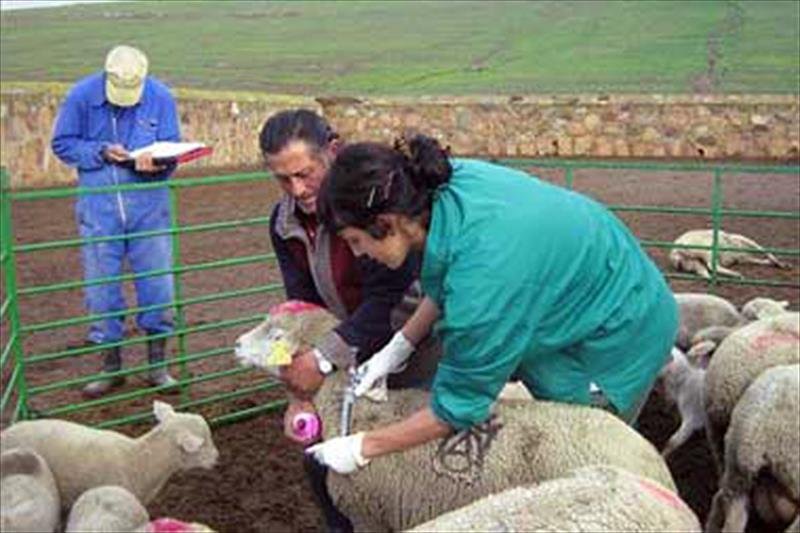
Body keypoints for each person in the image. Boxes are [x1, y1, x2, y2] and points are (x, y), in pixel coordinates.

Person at [308, 134, 679, 475]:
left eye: (356, 240)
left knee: (584, 448)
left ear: (387, 222)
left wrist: (363, 447)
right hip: (579, 289)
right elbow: (445, 277)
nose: (359, 254)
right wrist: (400, 345)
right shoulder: (438, 187)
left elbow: (456, 407)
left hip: (618, 333)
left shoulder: (484, 277)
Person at [259, 110, 440, 532]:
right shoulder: (284, 222)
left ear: (332, 151)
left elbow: (391, 299)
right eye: (283, 179)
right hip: (349, 349)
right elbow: (301, 304)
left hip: (412, 342)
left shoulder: (367, 202)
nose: (296, 189)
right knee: (324, 456)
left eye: (305, 173)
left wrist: (323, 359)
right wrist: (297, 388)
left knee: (416, 456)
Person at [51, 45, 180, 398]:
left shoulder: (161, 97)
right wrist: (100, 152)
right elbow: (62, 143)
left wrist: (159, 161)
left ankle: (157, 366)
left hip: (149, 207)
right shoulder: (81, 96)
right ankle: (111, 368)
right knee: (102, 289)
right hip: (99, 208)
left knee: (158, 287)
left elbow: (173, 147)